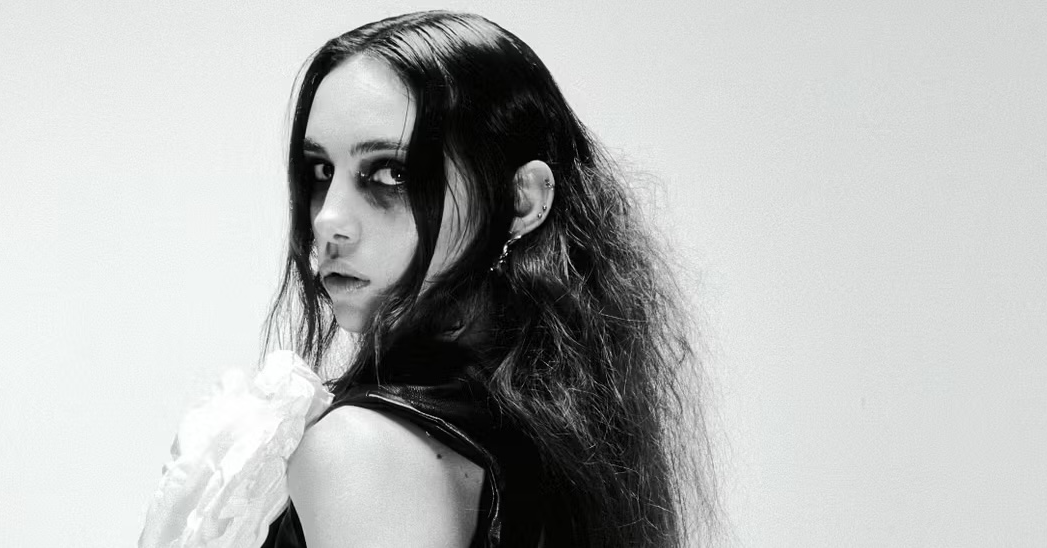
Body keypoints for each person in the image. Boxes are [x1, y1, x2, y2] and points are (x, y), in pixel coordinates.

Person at [258, 10, 719, 548]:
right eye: (320, 171)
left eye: (392, 173)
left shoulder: (360, 451)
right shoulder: (567, 448)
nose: (328, 219)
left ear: (521, 200)